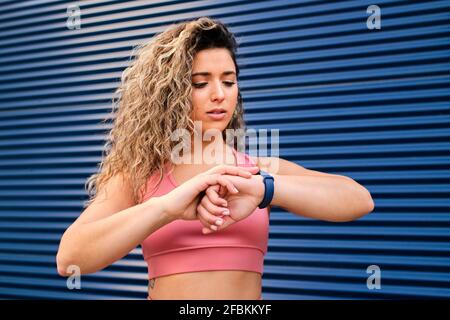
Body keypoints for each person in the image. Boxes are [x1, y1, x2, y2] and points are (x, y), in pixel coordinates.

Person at [56, 17, 374, 300]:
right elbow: (70, 258)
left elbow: (359, 200)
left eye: (228, 80)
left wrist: (265, 190)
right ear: (174, 92)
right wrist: (167, 206)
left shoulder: (256, 170)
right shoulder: (141, 175)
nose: (219, 93)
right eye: (200, 82)